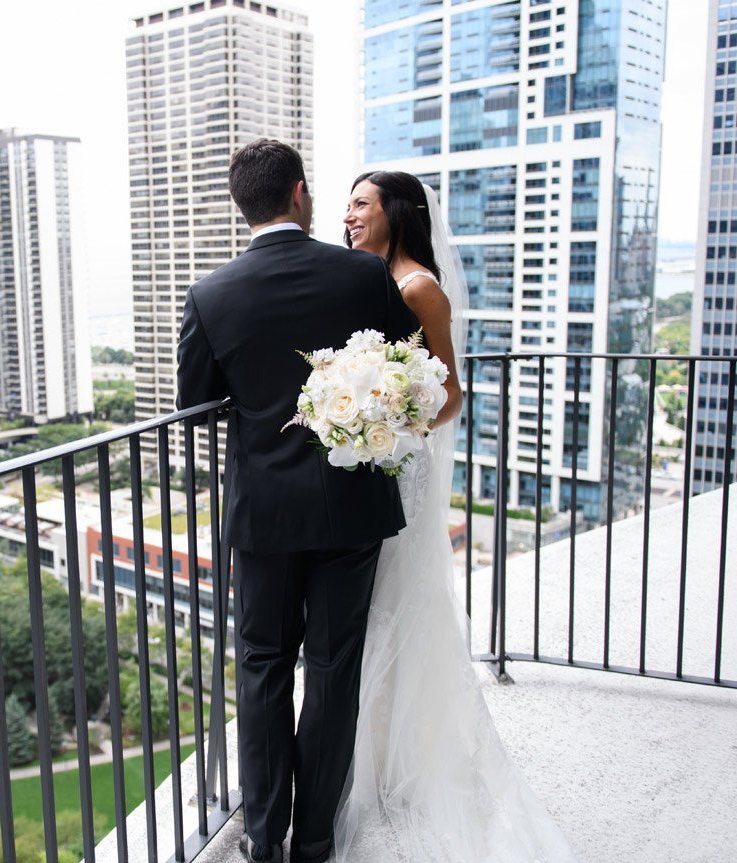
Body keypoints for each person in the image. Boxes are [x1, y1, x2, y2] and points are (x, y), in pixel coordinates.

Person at [176, 139, 421, 863]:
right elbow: (405, 367)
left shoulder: (211, 293)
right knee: (333, 667)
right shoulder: (362, 274)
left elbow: (195, 402)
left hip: (266, 513)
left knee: (262, 663)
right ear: (300, 192)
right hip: (351, 504)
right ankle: (315, 840)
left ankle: (263, 836)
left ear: (244, 203)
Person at [336, 170, 578, 861]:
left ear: (397, 214)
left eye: (361, 203)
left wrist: (391, 417)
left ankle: (390, 764)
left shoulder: (419, 286)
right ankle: (371, 757)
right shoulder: (368, 278)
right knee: (370, 612)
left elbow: (449, 392)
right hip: (372, 465)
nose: (348, 214)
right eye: (348, 203)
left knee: (397, 609)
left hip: (401, 471)